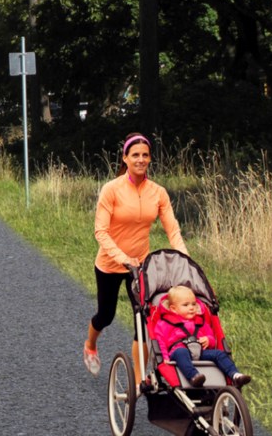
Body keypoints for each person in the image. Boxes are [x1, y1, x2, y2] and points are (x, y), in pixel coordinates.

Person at [83, 133, 190, 377]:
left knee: (143, 320)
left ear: (150, 159)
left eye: (145, 155)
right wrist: (121, 257)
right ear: (125, 158)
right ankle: (90, 346)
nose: (140, 160)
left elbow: (172, 228)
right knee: (106, 315)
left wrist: (184, 255)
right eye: (135, 155)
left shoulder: (158, 192)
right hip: (110, 264)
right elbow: (100, 231)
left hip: (141, 265)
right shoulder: (112, 189)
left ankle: (141, 378)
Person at [152, 285, 251, 388]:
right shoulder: (165, 323)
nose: (191, 308)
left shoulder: (200, 322)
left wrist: (208, 340)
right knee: (181, 352)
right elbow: (160, 341)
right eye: (185, 305)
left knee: (219, 353)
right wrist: (165, 357)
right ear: (173, 309)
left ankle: (235, 375)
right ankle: (194, 376)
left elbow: (212, 338)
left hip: (200, 352)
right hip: (178, 352)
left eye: (194, 304)